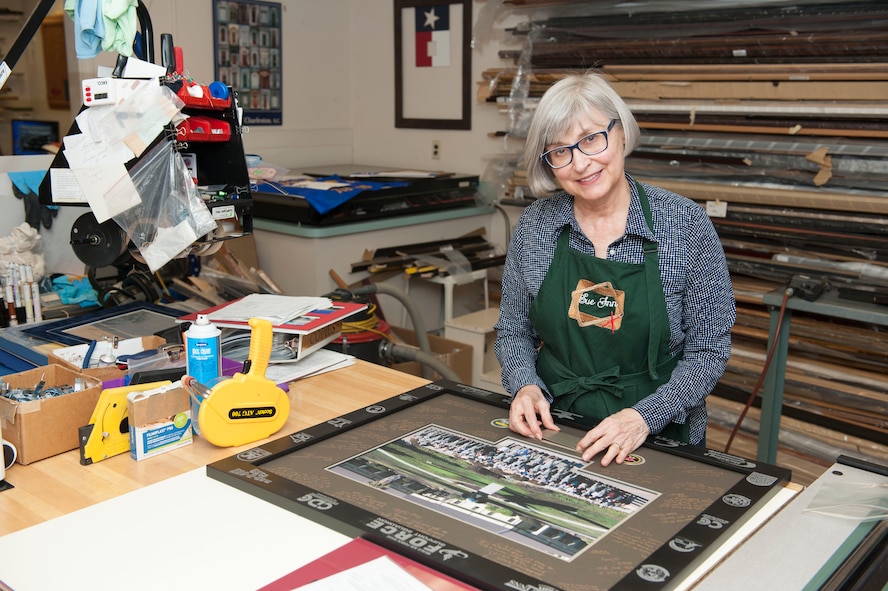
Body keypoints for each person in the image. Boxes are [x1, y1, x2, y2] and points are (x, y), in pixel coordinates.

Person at [494, 72, 735, 467]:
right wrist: (524, 385)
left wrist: (645, 417)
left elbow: (709, 350)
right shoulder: (536, 227)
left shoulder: (685, 225)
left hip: (655, 432)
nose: (581, 163)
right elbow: (513, 330)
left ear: (620, 132)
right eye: (560, 151)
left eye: (591, 139)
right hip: (558, 422)